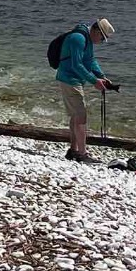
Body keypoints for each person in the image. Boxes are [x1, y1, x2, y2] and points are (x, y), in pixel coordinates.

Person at [55, 18, 116, 164]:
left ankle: (73, 150)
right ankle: (82, 154)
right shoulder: (78, 38)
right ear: (96, 31)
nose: (101, 41)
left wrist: (101, 76)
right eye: (102, 38)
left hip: (75, 80)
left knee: (76, 116)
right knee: (81, 116)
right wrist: (94, 81)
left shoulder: (86, 39)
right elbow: (77, 65)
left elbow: (90, 60)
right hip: (69, 79)